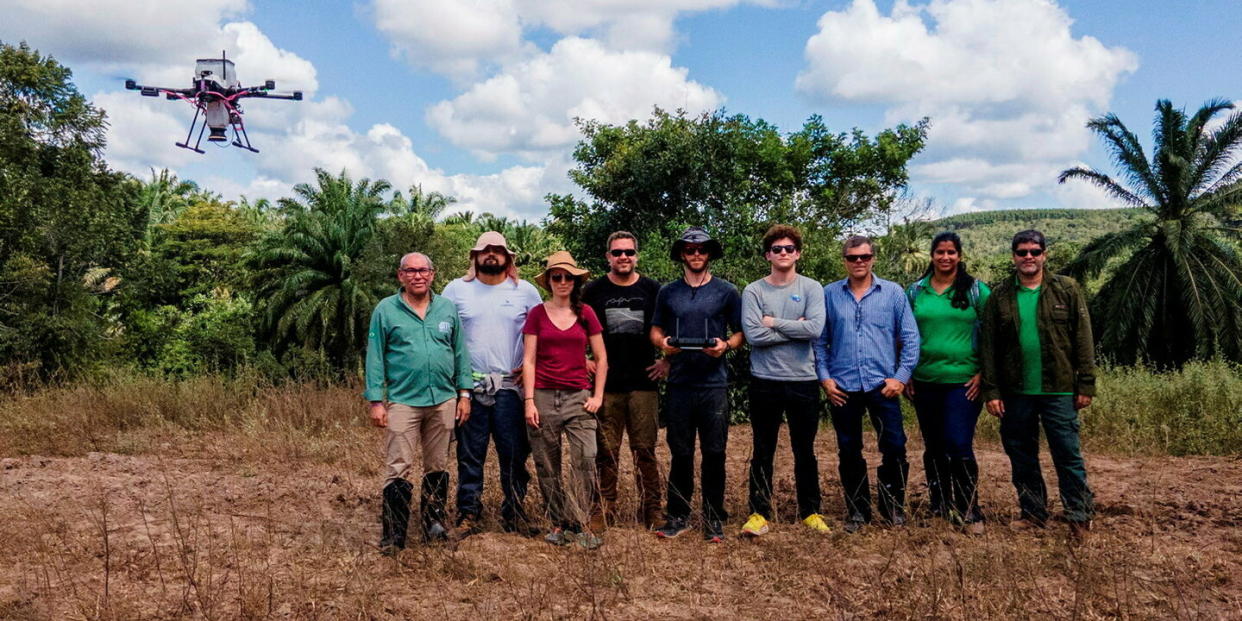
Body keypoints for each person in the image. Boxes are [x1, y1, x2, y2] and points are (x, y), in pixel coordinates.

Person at [979, 229, 1096, 539]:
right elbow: (988, 347)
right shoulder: (1000, 296)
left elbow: (1083, 339)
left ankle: (1079, 515)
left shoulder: (1066, 290)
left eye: (1034, 251)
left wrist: (1085, 384)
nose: (1028, 257)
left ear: (1044, 254)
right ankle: (1033, 512)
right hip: (1015, 392)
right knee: (1021, 455)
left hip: (1058, 389)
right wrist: (991, 391)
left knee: (1067, 454)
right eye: (1022, 252)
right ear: (1013, 256)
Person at [364, 252, 472, 554]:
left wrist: (464, 393)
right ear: (401, 276)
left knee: (437, 463)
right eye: (410, 271)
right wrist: (376, 400)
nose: (417, 276)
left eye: (423, 270)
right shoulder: (386, 310)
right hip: (403, 401)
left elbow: (460, 352)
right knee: (398, 465)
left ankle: (434, 524)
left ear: (433, 274)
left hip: (443, 398)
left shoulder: (447, 309)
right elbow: (375, 355)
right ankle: (394, 533)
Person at [814, 235, 920, 533]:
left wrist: (901, 377)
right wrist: (825, 378)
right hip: (843, 386)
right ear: (844, 260)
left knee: (895, 447)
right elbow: (820, 341)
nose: (858, 262)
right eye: (852, 257)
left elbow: (910, 338)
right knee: (849, 450)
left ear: (873, 257)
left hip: (882, 385)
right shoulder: (829, 294)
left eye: (864, 256)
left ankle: (892, 508)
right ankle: (857, 511)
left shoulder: (893, 293)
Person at [441, 232, 543, 539]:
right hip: (469, 388)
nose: (491, 254)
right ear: (475, 256)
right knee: (470, 454)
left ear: (508, 258)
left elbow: (542, 332)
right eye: (485, 250)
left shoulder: (525, 291)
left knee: (514, 453)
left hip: (511, 388)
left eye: (498, 250)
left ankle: (514, 511)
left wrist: (532, 369)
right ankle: (468, 513)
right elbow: (442, 334)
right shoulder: (457, 290)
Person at [650, 226, 745, 543]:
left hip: (713, 385)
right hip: (679, 384)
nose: (695, 254)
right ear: (681, 254)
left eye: (701, 249)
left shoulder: (727, 291)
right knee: (680, 452)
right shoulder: (668, 292)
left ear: (709, 254)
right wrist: (664, 343)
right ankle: (678, 516)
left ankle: (714, 518)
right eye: (690, 250)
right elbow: (655, 330)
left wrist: (725, 346)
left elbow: (740, 333)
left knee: (715, 452)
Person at [739, 225, 830, 537]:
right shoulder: (754, 291)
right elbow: (754, 336)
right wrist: (795, 326)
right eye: (777, 249)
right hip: (765, 381)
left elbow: (815, 329)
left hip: (803, 380)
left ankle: (811, 511)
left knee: (804, 449)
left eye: (789, 248)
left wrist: (774, 322)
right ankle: (758, 513)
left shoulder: (812, 288)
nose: (783, 253)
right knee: (763, 449)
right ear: (768, 255)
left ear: (798, 253)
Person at [904, 232, 991, 535]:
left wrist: (984, 373)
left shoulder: (976, 291)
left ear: (960, 256)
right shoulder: (916, 291)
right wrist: (906, 374)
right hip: (925, 380)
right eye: (940, 252)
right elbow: (902, 333)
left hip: (963, 381)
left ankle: (970, 509)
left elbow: (994, 336)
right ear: (932, 255)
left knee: (958, 444)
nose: (945, 257)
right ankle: (940, 504)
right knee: (934, 446)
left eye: (951, 252)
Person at [522, 251, 608, 548]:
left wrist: (597, 395)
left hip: (578, 397)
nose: (562, 281)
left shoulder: (586, 313)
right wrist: (529, 401)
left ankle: (580, 521)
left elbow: (601, 358)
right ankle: (558, 523)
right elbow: (529, 360)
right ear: (548, 281)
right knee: (547, 463)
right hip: (544, 397)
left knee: (585, 457)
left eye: (567, 277)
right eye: (556, 276)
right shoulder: (536, 314)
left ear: (575, 281)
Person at [581, 231, 667, 530]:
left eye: (629, 252)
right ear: (608, 257)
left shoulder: (653, 289)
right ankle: (604, 509)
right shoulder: (593, 291)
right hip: (607, 385)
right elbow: (570, 325)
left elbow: (670, 327)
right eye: (617, 253)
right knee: (606, 452)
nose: (623, 257)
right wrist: (583, 358)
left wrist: (667, 359)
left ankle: (653, 509)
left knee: (645, 450)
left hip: (644, 382)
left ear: (636, 255)